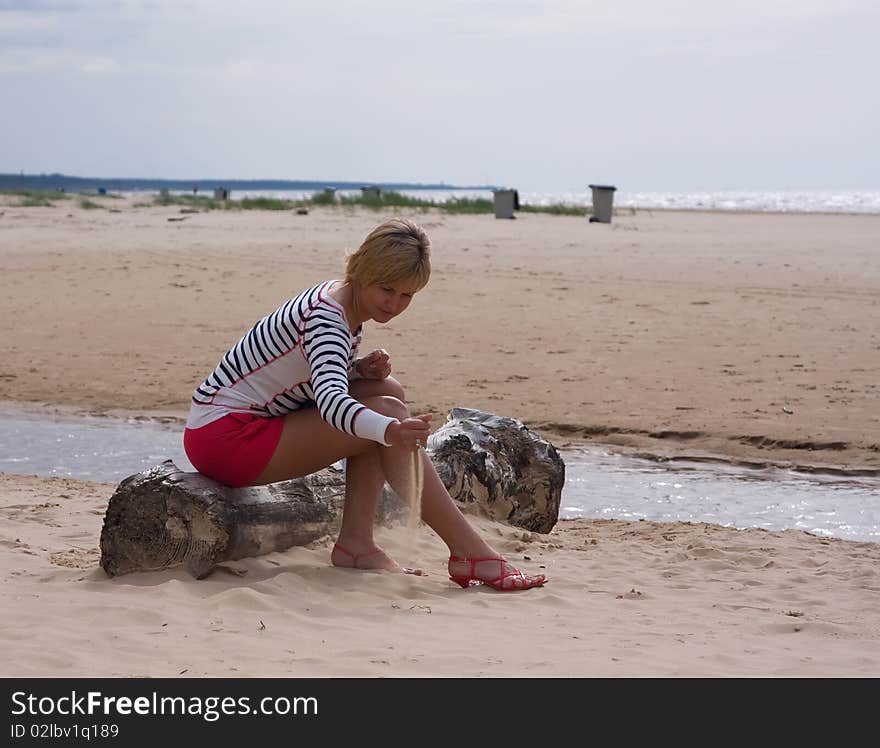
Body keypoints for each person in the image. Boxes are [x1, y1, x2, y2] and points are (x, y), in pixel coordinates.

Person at [183, 218, 546, 591]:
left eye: (407, 295)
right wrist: (390, 430)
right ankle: (469, 551)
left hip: (231, 425)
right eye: (386, 289)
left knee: (386, 389)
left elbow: (299, 376)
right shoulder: (328, 319)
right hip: (226, 439)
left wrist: (355, 370)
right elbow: (330, 404)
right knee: (387, 413)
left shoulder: (339, 296)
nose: (395, 304)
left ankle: (357, 543)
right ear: (360, 270)